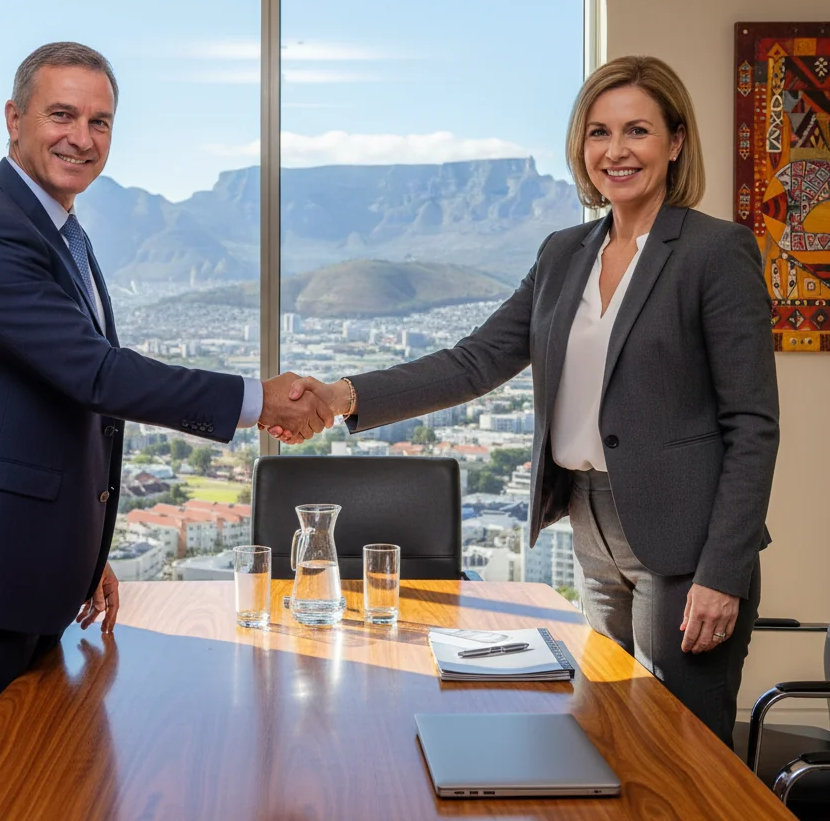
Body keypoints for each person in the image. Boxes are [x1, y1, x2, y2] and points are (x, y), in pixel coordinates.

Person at [270, 55, 779, 746]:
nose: (616, 151)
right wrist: (340, 395)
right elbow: (475, 361)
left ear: (677, 142)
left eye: (637, 131)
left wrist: (723, 572)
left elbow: (752, 425)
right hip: (589, 526)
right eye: (599, 133)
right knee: (609, 731)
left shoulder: (716, 252)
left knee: (682, 750)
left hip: (686, 541)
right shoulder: (564, 252)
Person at [0, 42, 333, 792]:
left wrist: (84, 554)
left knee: (28, 784)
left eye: (100, 121)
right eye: (62, 114)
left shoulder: (58, 230)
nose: (81, 138)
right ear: (13, 119)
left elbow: (46, 413)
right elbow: (94, 375)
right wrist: (255, 400)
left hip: (11, 566)